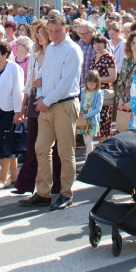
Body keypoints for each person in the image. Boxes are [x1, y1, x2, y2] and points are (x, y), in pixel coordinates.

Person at [20, 17, 82, 211]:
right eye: (51, 31)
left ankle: (66, 193)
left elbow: (66, 83)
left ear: (67, 29)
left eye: (58, 31)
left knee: (65, 151)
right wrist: (40, 87)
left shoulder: (72, 50)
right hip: (46, 104)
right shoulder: (52, 49)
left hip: (64, 105)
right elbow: (47, 74)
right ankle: (43, 192)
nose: (54, 34)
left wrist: (45, 101)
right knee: (41, 148)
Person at [12, 22, 62, 197]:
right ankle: (25, 182)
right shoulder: (35, 54)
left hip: (51, 100)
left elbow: (59, 79)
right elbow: (29, 82)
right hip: (34, 100)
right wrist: (23, 105)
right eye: (38, 32)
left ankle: (57, 183)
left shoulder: (56, 52)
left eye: (43, 32)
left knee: (52, 146)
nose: (40, 35)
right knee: (32, 143)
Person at [0, 41, 25, 188]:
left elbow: (18, 91)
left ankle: (3, 178)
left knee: (5, 143)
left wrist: (18, 112)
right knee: (5, 142)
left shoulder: (13, 68)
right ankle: (14, 175)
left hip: (8, 111)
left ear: (5, 54)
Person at [115, 33, 136, 133]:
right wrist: (120, 100)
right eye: (133, 43)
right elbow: (120, 81)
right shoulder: (126, 59)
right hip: (124, 102)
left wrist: (132, 103)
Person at [90, 34, 116, 141]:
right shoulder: (94, 57)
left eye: (99, 43)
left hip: (104, 93)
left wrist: (97, 80)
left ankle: (104, 145)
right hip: (93, 93)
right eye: (95, 44)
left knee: (104, 121)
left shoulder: (108, 57)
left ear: (105, 44)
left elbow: (113, 77)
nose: (97, 46)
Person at [78, 71, 104, 157]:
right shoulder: (83, 91)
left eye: (92, 85)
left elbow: (98, 109)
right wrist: (79, 111)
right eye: (88, 84)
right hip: (83, 119)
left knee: (88, 141)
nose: (90, 86)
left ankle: (88, 160)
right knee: (86, 141)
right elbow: (81, 103)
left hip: (92, 120)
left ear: (97, 83)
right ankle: (91, 157)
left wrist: (86, 116)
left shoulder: (99, 93)